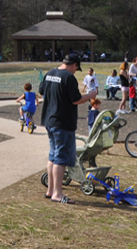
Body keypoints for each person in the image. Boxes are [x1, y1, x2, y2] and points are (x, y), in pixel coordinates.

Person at [39, 54, 96, 204]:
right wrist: (90, 95)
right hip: (62, 122)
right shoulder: (68, 77)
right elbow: (76, 100)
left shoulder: (50, 73)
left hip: (49, 120)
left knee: (53, 156)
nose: (75, 72)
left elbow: (41, 91)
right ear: (74, 65)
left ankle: (50, 190)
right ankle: (57, 193)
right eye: (76, 69)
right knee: (61, 158)